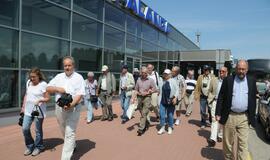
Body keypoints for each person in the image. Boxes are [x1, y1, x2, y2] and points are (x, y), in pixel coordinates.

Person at [46, 56, 85, 160]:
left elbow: (80, 94)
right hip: (59, 108)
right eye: (65, 65)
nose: (67, 67)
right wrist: (58, 89)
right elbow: (48, 88)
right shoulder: (59, 77)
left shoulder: (79, 77)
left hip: (73, 108)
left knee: (70, 132)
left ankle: (65, 158)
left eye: (69, 65)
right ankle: (72, 145)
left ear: (73, 66)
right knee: (63, 129)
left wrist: (70, 105)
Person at [216, 60, 256, 160]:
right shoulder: (228, 80)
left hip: (244, 117)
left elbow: (253, 98)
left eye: (243, 69)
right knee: (228, 143)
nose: (241, 71)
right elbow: (221, 97)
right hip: (230, 116)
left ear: (247, 70)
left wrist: (253, 115)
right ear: (236, 69)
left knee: (243, 144)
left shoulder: (251, 80)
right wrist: (218, 112)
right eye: (239, 69)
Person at [21, 67, 50, 156]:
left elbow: (48, 98)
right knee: (25, 128)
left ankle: (39, 146)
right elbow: (26, 95)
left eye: (34, 77)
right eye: (31, 77)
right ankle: (30, 146)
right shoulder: (28, 83)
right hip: (28, 110)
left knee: (37, 130)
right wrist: (23, 107)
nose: (32, 79)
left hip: (39, 110)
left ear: (39, 76)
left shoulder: (43, 84)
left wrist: (40, 100)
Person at [207, 66, 228, 147]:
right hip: (215, 102)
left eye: (223, 71)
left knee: (222, 121)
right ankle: (213, 139)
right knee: (214, 120)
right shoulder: (214, 80)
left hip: (225, 104)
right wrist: (210, 101)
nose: (221, 73)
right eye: (220, 71)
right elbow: (210, 90)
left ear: (227, 72)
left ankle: (220, 135)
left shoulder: (229, 81)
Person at [133, 67, 157, 136]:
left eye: (145, 73)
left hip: (147, 97)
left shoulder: (151, 80)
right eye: (142, 73)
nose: (143, 74)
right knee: (141, 112)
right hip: (139, 97)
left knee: (144, 113)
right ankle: (147, 122)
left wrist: (150, 91)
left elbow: (155, 89)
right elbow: (136, 89)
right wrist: (134, 98)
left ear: (147, 73)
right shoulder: (138, 80)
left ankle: (141, 129)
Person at [157, 69, 178, 135]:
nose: (165, 75)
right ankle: (162, 127)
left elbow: (177, 90)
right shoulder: (161, 81)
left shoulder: (173, 81)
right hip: (163, 101)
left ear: (170, 75)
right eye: (164, 74)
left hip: (171, 101)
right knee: (162, 115)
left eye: (166, 74)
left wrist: (175, 97)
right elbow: (159, 90)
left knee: (170, 115)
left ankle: (170, 127)